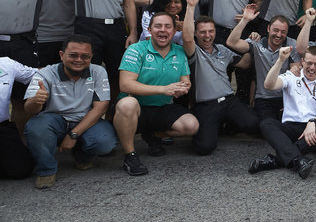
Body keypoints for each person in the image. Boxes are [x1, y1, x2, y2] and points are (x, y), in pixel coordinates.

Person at [23, 35, 117, 189]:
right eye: (73, 55)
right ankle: (47, 169)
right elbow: (29, 109)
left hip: (85, 119)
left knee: (105, 142)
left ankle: (82, 156)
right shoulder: (45, 73)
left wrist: (73, 135)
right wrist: (35, 101)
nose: (79, 60)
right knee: (36, 129)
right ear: (62, 55)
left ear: (91, 57)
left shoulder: (98, 71)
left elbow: (101, 107)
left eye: (85, 56)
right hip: (54, 119)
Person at [114, 12, 198, 174]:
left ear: (174, 32)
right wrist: (164, 89)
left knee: (191, 125)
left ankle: (153, 135)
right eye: (158, 26)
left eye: (168, 27)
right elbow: (125, 84)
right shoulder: (136, 49)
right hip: (136, 107)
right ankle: (130, 156)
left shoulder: (179, 52)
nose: (163, 30)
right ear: (149, 29)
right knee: (127, 104)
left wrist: (184, 87)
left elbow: (185, 80)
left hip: (161, 107)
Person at [182, 0, 259, 155]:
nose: (207, 35)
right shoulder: (193, 52)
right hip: (206, 106)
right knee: (204, 148)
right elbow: (187, 38)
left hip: (229, 101)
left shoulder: (223, 49)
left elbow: (245, 63)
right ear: (196, 33)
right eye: (202, 32)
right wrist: (190, 7)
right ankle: (209, 127)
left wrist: (253, 44)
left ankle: (223, 124)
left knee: (253, 124)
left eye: (211, 31)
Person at [252, 44, 316, 179]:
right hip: (290, 127)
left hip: (313, 130)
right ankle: (297, 160)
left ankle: (275, 160)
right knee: (267, 123)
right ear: (302, 61)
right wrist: (280, 61)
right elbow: (268, 85)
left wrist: (313, 122)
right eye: (308, 63)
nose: (312, 68)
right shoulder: (291, 75)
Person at [226, 6, 297, 119]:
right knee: (265, 123)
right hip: (263, 99)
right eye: (275, 30)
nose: (279, 35)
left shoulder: (292, 44)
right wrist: (245, 20)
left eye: (283, 32)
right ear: (268, 29)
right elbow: (231, 42)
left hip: (285, 99)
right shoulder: (257, 44)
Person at [0, 56, 37, 179]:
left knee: (21, 169)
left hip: (2, 127)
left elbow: (36, 73)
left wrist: (69, 65)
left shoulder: (5, 63)